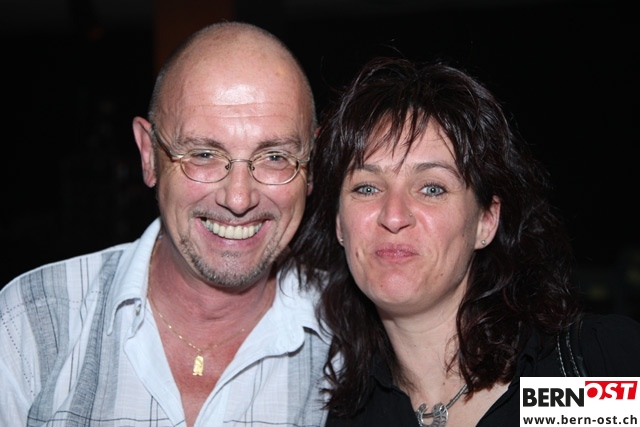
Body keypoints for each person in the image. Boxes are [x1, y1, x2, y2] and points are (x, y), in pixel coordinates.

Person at [0, 21, 331, 427]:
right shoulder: (29, 323)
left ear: (312, 164)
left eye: (275, 156)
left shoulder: (352, 343)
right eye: (204, 154)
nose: (239, 198)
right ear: (148, 155)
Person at [290, 56, 640, 426]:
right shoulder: (340, 415)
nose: (393, 216)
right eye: (366, 187)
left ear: (486, 221)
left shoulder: (593, 372)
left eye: (431, 188)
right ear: (339, 224)